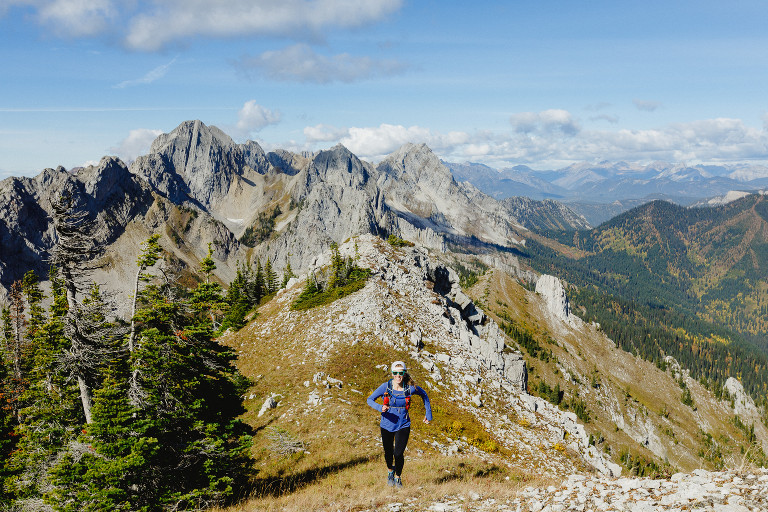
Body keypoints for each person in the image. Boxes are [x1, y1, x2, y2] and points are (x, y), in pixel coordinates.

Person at [367, 361, 432, 488]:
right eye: (395, 373)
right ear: (392, 374)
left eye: (400, 373)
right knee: (388, 452)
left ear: (404, 373)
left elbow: (424, 395)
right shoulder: (385, 387)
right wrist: (380, 407)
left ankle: (398, 478)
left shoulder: (410, 388)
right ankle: (390, 472)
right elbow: (369, 399)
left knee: (398, 453)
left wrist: (428, 414)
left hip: (403, 424)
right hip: (386, 424)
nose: (398, 375)